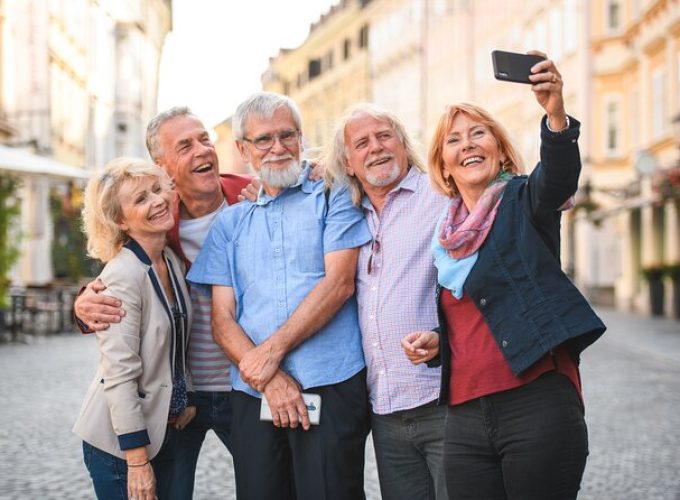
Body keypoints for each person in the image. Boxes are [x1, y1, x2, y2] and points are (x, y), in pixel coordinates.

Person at [401, 51, 606, 500]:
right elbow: (475, 316)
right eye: (454, 140)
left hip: (535, 402)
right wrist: (439, 341)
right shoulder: (446, 237)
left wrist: (555, 114)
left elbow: (558, 178)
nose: (468, 144)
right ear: (444, 165)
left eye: (479, 134)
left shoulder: (522, 200)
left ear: (499, 148)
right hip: (463, 415)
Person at [186, 91, 372, 500]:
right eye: (263, 139)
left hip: (331, 379)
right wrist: (269, 377)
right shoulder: (231, 222)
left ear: (302, 138)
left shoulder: (333, 194)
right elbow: (222, 319)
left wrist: (270, 354)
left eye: (287, 135)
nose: (277, 147)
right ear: (243, 150)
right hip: (254, 393)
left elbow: (339, 284)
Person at [73, 107, 251, 498]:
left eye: (204, 139)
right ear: (163, 165)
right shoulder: (156, 230)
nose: (201, 150)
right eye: (184, 145)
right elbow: (116, 292)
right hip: (156, 417)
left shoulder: (251, 197)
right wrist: (83, 306)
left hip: (236, 389)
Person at [323, 103, 448, 500]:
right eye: (362, 143)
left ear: (403, 143)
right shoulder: (345, 212)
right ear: (348, 162)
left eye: (384, 136)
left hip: (445, 399)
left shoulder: (441, 193)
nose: (376, 148)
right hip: (385, 408)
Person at [73, 158, 193, 500]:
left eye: (157, 190)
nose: (157, 200)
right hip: (119, 446)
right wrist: (137, 463)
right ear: (120, 220)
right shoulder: (122, 276)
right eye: (140, 199)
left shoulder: (168, 259)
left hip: (162, 430)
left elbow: (178, 339)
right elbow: (120, 373)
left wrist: (187, 396)